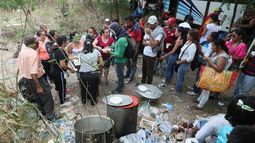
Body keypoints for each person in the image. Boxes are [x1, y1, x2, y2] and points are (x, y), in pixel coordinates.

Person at [17, 36, 56, 120]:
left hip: (27, 79)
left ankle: (43, 113)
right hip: (37, 79)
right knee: (47, 96)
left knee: (38, 97)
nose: (38, 43)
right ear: (33, 44)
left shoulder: (23, 52)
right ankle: (51, 116)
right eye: (37, 42)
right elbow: (33, 72)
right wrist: (38, 86)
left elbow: (19, 66)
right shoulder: (32, 54)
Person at [192, 38, 229, 110]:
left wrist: (209, 61)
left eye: (213, 46)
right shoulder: (217, 52)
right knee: (203, 87)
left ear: (219, 46)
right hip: (209, 73)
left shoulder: (222, 57)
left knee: (206, 90)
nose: (211, 48)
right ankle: (199, 100)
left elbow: (219, 69)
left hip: (213, 76)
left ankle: (200, 106)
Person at [50, 35, 75, 107]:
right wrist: (71, 69)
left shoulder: (55, 49)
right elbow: (63, 65)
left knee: (59, 85)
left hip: (53, 70)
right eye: (67, 40)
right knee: (62, 86)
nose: (68, 42)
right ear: (64, 42)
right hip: (59, 71)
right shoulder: (61, 51)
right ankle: (62, 102)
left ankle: (64, 95)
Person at [173, 28, 199, 94]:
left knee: (180, 77)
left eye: (188, 34)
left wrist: (180, 62)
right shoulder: (187, 42)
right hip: (181, 62)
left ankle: (177, 91)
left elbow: (190, 58)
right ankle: (177, 88)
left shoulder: (193, 45)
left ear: (192, 37)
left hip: (184, 63)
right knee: (179, 76)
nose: (187, 35)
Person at [79, 40, 104, 105]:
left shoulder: (81, 53)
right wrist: (98, 68)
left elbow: (81, 62)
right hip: (94, 74)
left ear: (84, 45)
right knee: (94, 88)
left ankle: (84, 100)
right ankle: (93, 101)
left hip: (83, 74)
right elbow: (102, 64)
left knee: (83, 88)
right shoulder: (97, 51)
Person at [141, 15, 165, 84]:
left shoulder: (159, 32)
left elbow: (154, 45)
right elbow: (143, 42)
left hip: (151, 55)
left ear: (156, 23)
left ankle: (148, 86)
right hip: (145, 53)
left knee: (149, 73)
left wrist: (150, 35)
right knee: (144, 70)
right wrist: (150, 43)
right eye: (149, 24)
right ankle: (142, 84)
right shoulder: (147, 29)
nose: (150, 26)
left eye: (152, 24)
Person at [109, 22, 129, 93]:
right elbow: (116, 46)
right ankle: (121, 83)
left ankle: (119, 88)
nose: (112, 33)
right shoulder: (120, 36)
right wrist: (109, 47)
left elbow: (120, 54)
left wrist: (110, 52)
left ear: (116, 29)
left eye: (112, 31)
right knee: (119, 73)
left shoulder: (121, 39)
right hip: (120, 60)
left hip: (120, 60)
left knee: (120, 74)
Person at [124, 15, 142, 83]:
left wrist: (135, 53)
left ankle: (131, 77)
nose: (126, 24)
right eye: (126, 22)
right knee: (127, 63)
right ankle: (128, 74)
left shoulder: (137, 30)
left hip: (133, 50)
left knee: (133, 64)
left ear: (132, 22)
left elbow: (138, 43)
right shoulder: (126, 28)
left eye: (128, 22)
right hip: (126, 49)